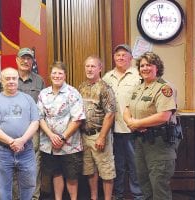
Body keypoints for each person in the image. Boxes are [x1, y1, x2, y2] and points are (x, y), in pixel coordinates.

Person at [123, 52, 182, 200]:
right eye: (142, 65)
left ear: (157, 67)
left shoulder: (164, 88)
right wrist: (131, 123)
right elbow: (127, 109)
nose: (145, 68)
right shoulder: (138, 88)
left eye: (149, 64)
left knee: (159, 185)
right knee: (144, 183)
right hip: (140, 142)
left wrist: (137, 123)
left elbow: (164, 116)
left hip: (159, 144)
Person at [0, 67, 39, 200]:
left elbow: (35, 122)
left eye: (14, 78)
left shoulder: (28, 99)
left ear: (18, 80)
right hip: (2, 152)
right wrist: (11, 142)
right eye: (7, 78)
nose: (11, 81)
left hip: (26, 150)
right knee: (3, 189)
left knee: (28, 186)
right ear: (1, 81)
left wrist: (22, 140)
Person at [0, 47, 45, 200]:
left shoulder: (39, 80)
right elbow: (1, 103)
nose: (26, 61)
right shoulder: (9, 78)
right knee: (12, 165)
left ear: (33, 61)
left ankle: (33, 197)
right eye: (23, 58)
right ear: (17, 60)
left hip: (32, 132)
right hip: (11, 132)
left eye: (29, 58)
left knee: (33, 167)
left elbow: (42, 107)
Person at [38, 61, 86, 200]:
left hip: (70, 144)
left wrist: (63, 137)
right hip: (49, 144)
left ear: (65, 75)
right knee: (56, 173)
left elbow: (77, 118)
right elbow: (40, 117)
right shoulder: (43, 94)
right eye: (54, 73)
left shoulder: (73, 93)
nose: (57, 76)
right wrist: (51, 136)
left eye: (60, 73)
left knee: (71, 176)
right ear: (50, 75)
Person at [103, 44, 143, 200]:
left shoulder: (138, 76)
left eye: (124, 55)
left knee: (135, 166)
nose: (120, 58)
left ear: (131, 58)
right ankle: (117, 195)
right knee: (117, 166)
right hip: (112, 131)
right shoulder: (107, 77)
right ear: (114, 58)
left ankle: (138, 195)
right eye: (118, 55)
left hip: (132, 129)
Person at [78, 55, 116, 200]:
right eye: (87, 66)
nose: (89, 69)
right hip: (84, 135)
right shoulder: (81, 87)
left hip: (99, 135)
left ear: (100, 68)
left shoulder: (105, 88)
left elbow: (110, 114)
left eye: (93, 66)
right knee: (90, 170)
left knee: (106, 171)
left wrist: (102, 137)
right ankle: (94, 197)